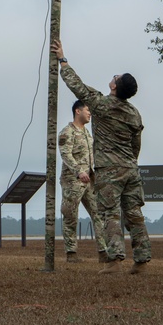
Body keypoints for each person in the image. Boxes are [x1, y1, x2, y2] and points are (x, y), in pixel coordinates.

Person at [52, 38, 151, 274]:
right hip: (130, 169)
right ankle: (142, 261)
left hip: (109, 171)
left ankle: (115, 261)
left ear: (115, 86)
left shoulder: (101, 105)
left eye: (116, 78)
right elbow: (136, 143)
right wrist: (131, 162)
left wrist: (63, 60)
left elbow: (78, 87)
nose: (113, 77)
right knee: (135, 214)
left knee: (110, 214)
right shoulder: (134, 113)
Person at [58, 99, 109, 263]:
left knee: (98, 215)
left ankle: (104, 252)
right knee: (70, 216)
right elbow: (66, 155)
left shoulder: (87, 133)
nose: (90, 114)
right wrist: (78, 171)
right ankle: (71, 254)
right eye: (87, 110)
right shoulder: (67, 132)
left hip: (89, 182)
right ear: (77, 111)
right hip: (72, 181)